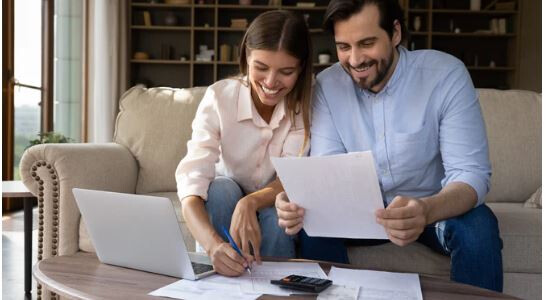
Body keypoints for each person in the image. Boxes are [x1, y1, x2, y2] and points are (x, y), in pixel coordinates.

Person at [275, 0, 503, 292]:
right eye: (344, 46)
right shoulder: (328, 86)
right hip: (359, 214)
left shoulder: (445, 76)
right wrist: (296, 201)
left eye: (366, 43)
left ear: (395, 33)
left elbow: (471, 174)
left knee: (479, 225)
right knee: (313, 228)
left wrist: (425, 210)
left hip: (433, 210)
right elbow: (328, 170)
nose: (355, 60)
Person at [175, 10, 313, 277]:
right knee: (221, 190)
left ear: (301, 69)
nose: (271, 83)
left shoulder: (305, 105)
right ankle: (220, 277)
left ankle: (277, 292)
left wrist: (249, 203)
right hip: (225, 196)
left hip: (274, 198)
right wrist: (213, 246)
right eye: (261, 68)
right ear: (246, 57)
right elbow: (191, 185)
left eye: (286, 72)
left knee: (277, 219)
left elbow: (291, 175)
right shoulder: (219, 97)